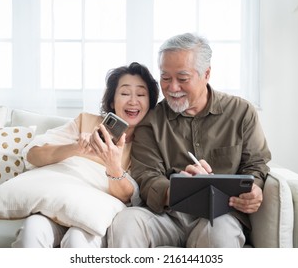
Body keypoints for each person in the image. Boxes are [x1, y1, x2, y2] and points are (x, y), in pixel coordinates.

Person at [107, 33, 272, 248]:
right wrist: (182, 188)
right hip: (167, 216)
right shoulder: (151, 121)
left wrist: (255, 189)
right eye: (165, 78)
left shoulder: (241, 112)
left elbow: (256, 166)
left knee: (220, 233)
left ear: (206, 74)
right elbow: (146, 176)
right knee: (126, 222)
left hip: (220, 216)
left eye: (183, 79)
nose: (172, 88)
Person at [11, 62, 159, 248]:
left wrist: (112, 165)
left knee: (77, 239)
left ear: (150, 103)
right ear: (112, 101)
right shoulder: (85, 122)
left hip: (94, 216)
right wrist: (75, 148)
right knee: (32, 230)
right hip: (58, 204)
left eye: (141, 94)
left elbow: (129, 198)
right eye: (124, 93)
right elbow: (33, 155)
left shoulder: (147, 144)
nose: (132, 101)